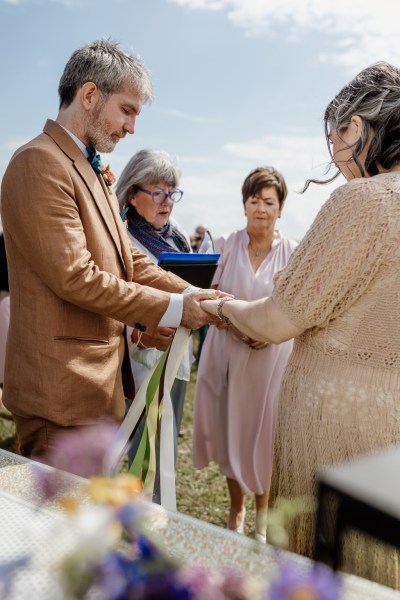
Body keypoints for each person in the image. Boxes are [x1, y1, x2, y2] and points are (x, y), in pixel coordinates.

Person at [200, 62, 400, 587]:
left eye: (335, 135)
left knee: (323, 572)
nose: (334, 154)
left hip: (337, 426)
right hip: (392, 426)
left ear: (356, 127)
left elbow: (275, 318)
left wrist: (219, 307)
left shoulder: (365, 201)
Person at [0, 39, 221, 460]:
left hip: (95, 389)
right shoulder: (39, 162)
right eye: (127, 110)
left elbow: (127, 260)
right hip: (59, 395)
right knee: (58, 524)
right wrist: (174, 308)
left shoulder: (87, 166)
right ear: (89, 95)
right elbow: (76, 276)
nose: (132, 127)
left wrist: (193, 296)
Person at [193, 166, 297, 542]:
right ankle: (236, 508)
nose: (261, 209)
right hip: (227, 353)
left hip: (271, 361)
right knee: (230, 432)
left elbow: (296, 308)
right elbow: (204, 297)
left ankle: (262, 518)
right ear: (244, 204)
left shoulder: (293, 252)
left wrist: (269, 332)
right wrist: (238, 325)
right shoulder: (223, 244)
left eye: (269, 202)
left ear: (280, 208)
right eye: (254, 200)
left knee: (264, 435)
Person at [116, 148, 193, 470]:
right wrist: (142, 336)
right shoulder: (120, 238)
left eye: (172, 192)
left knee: (161, 451)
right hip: (134, 361)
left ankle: (153, 514)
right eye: (158, 192)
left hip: (177, 356)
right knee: (130, 450)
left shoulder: (178, 236)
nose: (167, 201)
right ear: (133, 194)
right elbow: (108, 298)